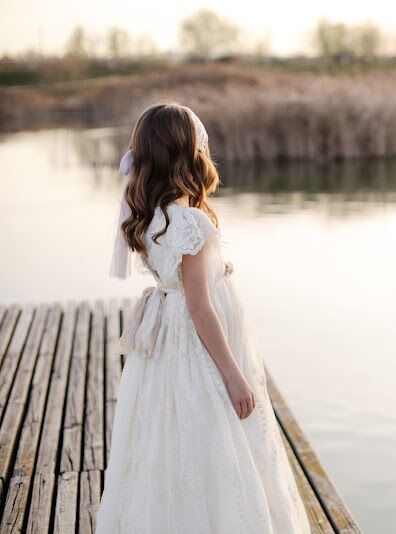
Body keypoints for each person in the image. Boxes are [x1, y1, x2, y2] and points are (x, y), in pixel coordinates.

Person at [96, 103, 311, 534]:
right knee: (213, 432)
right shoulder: (189, 221)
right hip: (195, 343)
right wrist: (232, 374)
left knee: (169, 433)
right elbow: (199, 305)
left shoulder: (148, 216)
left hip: (164, 344)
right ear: (187, 152)